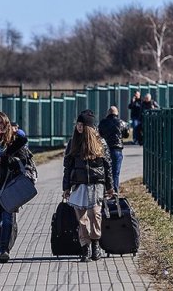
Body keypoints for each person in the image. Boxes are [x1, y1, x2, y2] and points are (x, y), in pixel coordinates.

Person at [0, 111, 37, 263]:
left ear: (6, 126)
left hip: (10, 186)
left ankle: (4, 249)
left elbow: (22, 155)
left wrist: (5, 160)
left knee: (8, 218)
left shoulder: (13, 142)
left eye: (2, 123)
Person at [63, 110, 115, 262]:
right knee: (82, 218)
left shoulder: (100, 143)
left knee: (95, 214)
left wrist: (110, 187)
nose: (79, 127)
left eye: (82, 125)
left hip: (96, 184)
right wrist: (66, 187)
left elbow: (108, 166)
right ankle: (85, 246)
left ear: (89, 127)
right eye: (78, 124)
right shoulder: (73, 143)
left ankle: (96, 243)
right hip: (79, 185)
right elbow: (68, 167)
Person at [98, 106, 129, 193]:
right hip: (116, 150)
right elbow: (126, 134)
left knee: (105, 171)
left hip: (105, 149)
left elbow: (99, 134)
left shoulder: (103, 123)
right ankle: (114, 192)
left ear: (108, 113)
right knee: (115, 173)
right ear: (117, 113)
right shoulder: (122, 123)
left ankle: (105, 191)